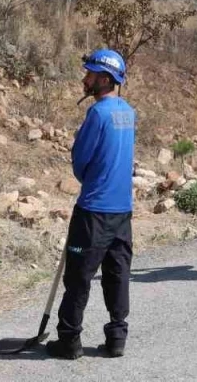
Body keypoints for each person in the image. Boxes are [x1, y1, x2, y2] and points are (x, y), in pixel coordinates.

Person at [48, 49, 135, 360]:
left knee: (78, 277)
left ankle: (69, 340)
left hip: (94, 210)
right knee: (117, 274)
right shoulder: (128, 112)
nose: (85, 79)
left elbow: (80, 162)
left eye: (90, 74)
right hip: (122, 211)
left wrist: (90, 177)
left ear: (106, 79)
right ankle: (116, 337)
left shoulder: (97, 113)